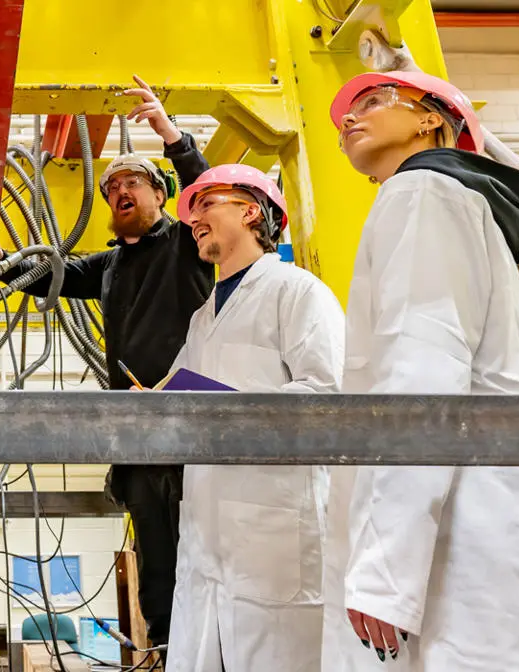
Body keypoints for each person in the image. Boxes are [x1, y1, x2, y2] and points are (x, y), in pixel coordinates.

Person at [322, 70, 519, 671]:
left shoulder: (421, 192)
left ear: (431, 119)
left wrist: (383, 568)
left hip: (468, 540)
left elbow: (422, 374)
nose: (349, 118)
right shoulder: (448, 202)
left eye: (372, 102)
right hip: (491, 530)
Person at [0, 74, 210, 646]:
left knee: (207, 550)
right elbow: (46, 274)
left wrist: (171, 135)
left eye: (134, 183)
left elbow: (208, 189)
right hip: (137, 438)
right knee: (158, 565)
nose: (122, 190)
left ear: (161, 196)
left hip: (194, 428)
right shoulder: (108, 266)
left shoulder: (187, 242)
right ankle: (167, 650)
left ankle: (214, 651)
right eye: (113, 184)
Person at [162, 164, 345, 671]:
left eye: (206, 204)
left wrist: (225, 408)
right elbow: (173, 395)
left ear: (249, 210)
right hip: (208, 524)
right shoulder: (203, 317)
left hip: (275, 518)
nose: (193, 218)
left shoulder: (298, 291)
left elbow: (329, 397)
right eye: (191, 210)